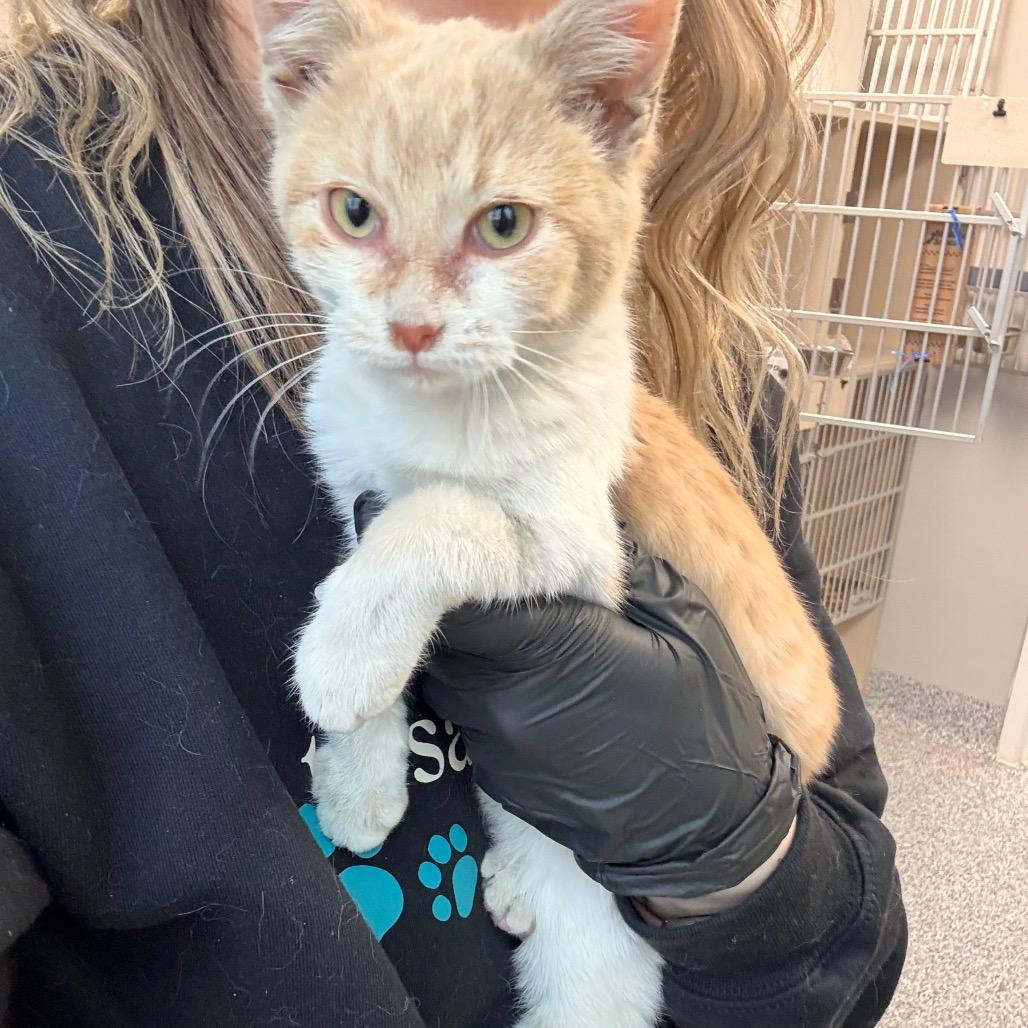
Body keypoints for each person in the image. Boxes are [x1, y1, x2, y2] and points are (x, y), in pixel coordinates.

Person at [0, 1, 906, 1026]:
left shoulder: (695, 340)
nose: (415, 315)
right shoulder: (32, 244)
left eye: (501, 224)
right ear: (291, 82)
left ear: (618, 110)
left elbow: (850, 936)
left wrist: (733, 858)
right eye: (358, 215)